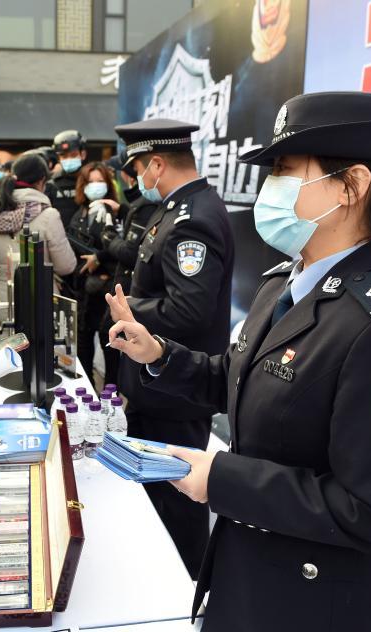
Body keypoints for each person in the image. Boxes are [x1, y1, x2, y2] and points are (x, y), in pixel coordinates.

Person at [106, 91, 371, 631]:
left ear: (352, 186)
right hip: (249, 579)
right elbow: (242, 382)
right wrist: (159, 354)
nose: (269, 187)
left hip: (314, 607)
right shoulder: (284, 283)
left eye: (284, 169)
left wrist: (222, 479)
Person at [109, 118, 236, 579]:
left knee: (178, 505)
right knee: (157, 500)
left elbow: (190, 312)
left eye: (140, 168)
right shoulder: (176, 210)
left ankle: (186, 594)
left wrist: (129, 311)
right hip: (157, 385)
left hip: (175, 390)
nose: (138, 179)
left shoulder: (194, 218)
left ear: (157, 164)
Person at [0, 152, 76, 337]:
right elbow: (66, 266)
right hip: (41, 301)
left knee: (5, 360)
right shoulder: (48, 215)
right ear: (42, 181)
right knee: (42, 359)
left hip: (3, 299)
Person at [96, 149, 160, 387]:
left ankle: (112, 390)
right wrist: (122, 211)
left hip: (131, 293)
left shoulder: (148, 203)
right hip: (125, 290)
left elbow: (131, 252)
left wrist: (109, 238)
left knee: (113, 337)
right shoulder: (138, 203)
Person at [66, 161, 120, 386]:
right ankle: (85, 392)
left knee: (111, 347)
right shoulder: (78, 214)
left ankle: (111, 396)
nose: (96, 186)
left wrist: (100, 259)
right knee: (83, 346)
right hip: (81, 292)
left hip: (106, 291)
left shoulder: (114, 212)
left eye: (101, 181)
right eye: (91, 182)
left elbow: (122, 250)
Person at [49, 130, 87, 226]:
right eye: (64, 156)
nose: (69, 159)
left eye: (73, 155)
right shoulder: (52, 184)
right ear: (58, 158)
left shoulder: (91, 181)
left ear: (83, 154)